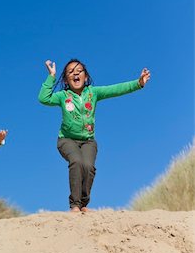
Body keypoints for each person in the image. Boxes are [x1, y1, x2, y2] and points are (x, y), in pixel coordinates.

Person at [38, 59, 150, 212]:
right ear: (65, 79)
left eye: (79, 71)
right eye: (70, 72)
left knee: (88, 166)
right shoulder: (62, 96)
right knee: (76, 162)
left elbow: (116, 89)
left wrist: (138, 83)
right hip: (66, 140)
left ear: (86, 77)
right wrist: (51, 76)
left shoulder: (93, 93)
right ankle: (75, 205)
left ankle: (83, 203)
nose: (75, 73)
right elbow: (43, 98)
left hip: (88, 141)